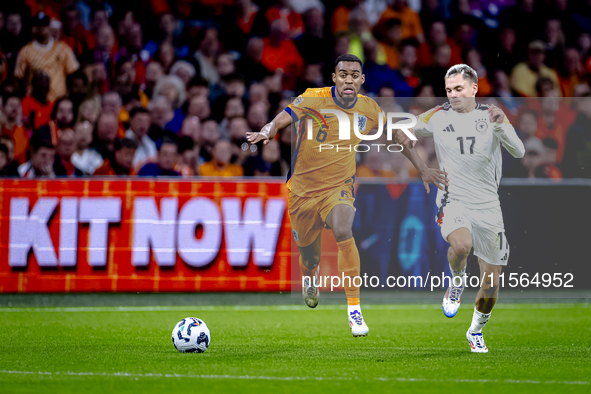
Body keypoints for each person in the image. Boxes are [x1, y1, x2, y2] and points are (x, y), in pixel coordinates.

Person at [247, 53, 446, 337]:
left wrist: (423, 168)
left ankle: (354, 309)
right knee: (310, 258)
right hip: (302, 193)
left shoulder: (369, 108)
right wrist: (268, 130)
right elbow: (282, 119)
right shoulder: (312, 98)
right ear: (334, 78)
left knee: (343, 228)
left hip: (338, 188)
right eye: (343, 74)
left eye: (354, 75)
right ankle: (310, 276)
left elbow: (398, 137)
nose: (348, 79)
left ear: (362, 80)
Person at [394, 64, 525, 353]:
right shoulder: (437, 116)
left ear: (474, 88)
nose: (453, 95)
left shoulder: (491, 116)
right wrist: (422, 166)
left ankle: (475, 330)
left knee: (491, 283)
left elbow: (519, 151)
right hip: (452, 198)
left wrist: (504, 122)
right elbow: (401, 132)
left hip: (489, 205)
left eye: (459, 89)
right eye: (449, 90)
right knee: (462, 246)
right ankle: (456, 281)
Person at [14, 12, 79, 102]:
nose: (41, 29)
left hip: (58, 102)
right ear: (34, 28)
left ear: (49, 27)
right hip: (34, 103)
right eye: (38, 25)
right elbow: (18, 77)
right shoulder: (25, 51)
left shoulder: (63, 48)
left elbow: (73, 73)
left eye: (44, 25)